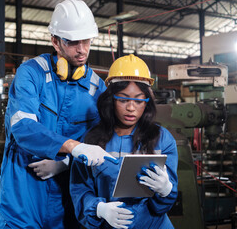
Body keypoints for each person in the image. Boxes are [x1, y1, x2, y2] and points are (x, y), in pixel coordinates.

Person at [0, 0, 118, 229]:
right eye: (73, 42)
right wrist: (73, 147)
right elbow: (23, 127)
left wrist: (68, 162)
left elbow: (102, 140)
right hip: (23, 191)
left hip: (67, 195)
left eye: (87, 41)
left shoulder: (97, 88)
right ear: (55, 41)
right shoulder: (31, 74)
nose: (82, 49)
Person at [70, 54, 178, 229]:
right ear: (111, 100)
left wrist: (166, 190)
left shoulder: (162, 139)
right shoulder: (91, 141)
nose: (131, 107)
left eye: (138, 100)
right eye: (123, 99)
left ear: (147, 102)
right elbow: (80, 190)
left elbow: (163, 206)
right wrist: (99, 209)